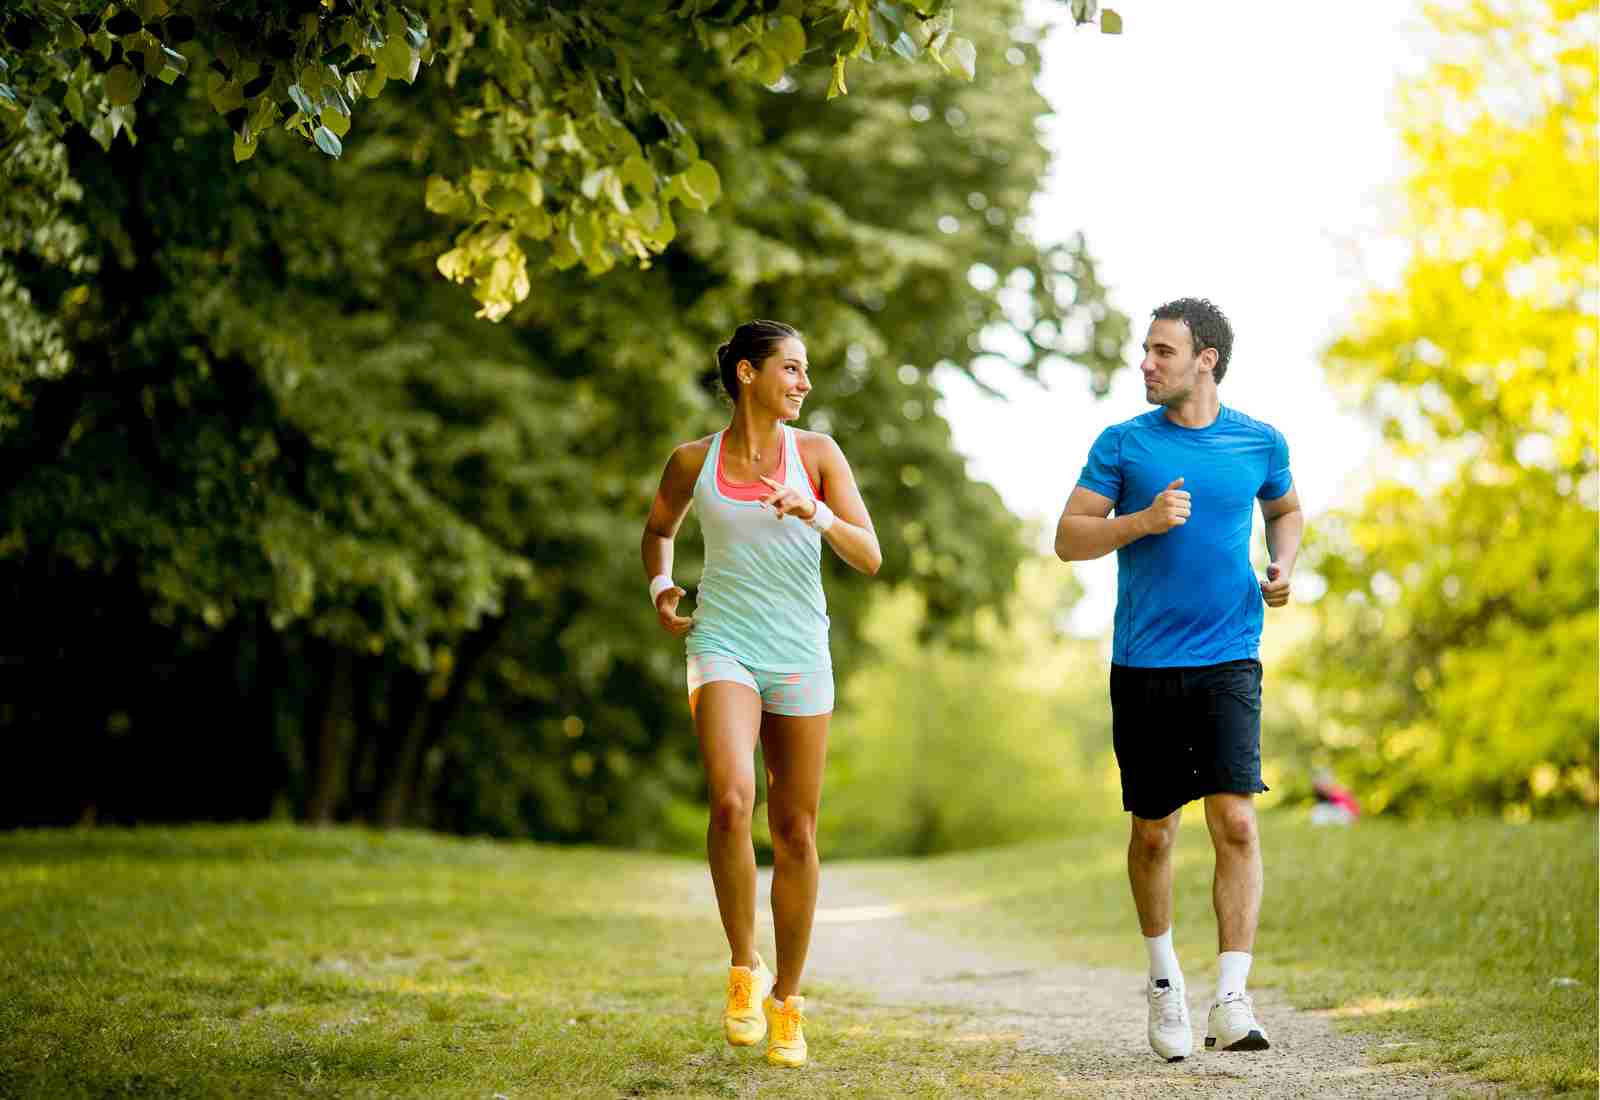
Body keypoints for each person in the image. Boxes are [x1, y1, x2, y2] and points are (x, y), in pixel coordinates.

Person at [1053, 298, 1303, 1062]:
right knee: (1154, 834)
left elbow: (1286, 511)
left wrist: (1283, 564)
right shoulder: (1123, 444)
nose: (1147, 364)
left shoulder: (1259, 440)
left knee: (1236, 822)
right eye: (1146, 350)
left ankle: (1232, 997)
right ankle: (1165, 985)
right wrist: (1142, 522)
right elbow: (1068, 538)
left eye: (1163, 351)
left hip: (1230, 654)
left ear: (1207, 360)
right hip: (1146, 664)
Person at [641, 320, 882, 1068]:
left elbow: (869, 556)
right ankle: (744, 969)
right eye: (793, 369)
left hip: (800, 651)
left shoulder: (818, 455)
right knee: (731, 799)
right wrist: (661, 584)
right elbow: (658, 530)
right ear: (748, 374)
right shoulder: (693, 461)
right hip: (722, 642)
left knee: (798, 831)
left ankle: (789, 999)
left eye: (806, 372)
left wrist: (816, 510)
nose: (805, 384)